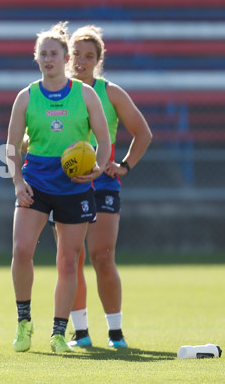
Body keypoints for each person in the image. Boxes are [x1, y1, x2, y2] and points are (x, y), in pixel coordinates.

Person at [6, 22, 110, 354]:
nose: (48, 58)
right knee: (22, 250)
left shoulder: (85, 94)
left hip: (74, 188)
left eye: (54, 53)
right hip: (35, 183)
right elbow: (10, 147)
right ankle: (24, 322)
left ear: (66, 57)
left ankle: (58, 333)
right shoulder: (26, 96)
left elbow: (104, 141)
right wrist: (18, 183)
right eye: (43, 53)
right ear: (36, 58)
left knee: (68, 261)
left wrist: (95, 172)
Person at [64, 25, 152, 349]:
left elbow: (143, 133)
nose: (82, 61)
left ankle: (116, 333)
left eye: (89, 56)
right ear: (67, 56)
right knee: (70, 259)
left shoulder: (110, 92)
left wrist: (124, 165)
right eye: (77, 54)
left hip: (103, 183)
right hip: (66, 186)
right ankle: (81, 333)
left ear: (98, 60)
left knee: (102, 256)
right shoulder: (57, 91)